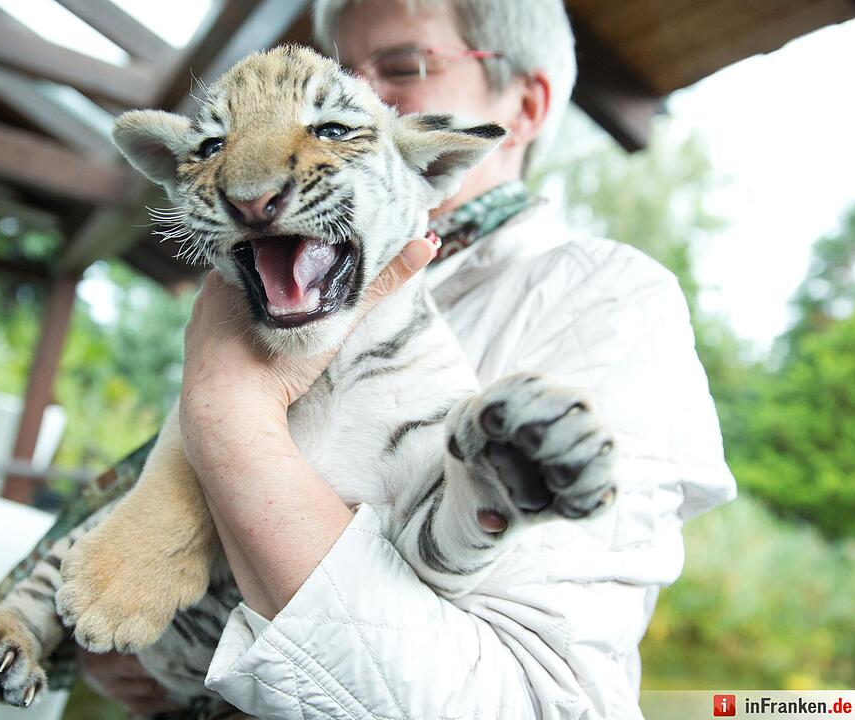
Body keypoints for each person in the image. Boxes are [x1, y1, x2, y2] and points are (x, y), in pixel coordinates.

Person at [81, 0, 737, 717]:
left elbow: (542, 702)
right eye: (340, 71)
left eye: (402, 67)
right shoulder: (278, 280)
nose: (366, 97)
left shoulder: (603, 297)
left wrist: (227, 418)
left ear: (525, 103)